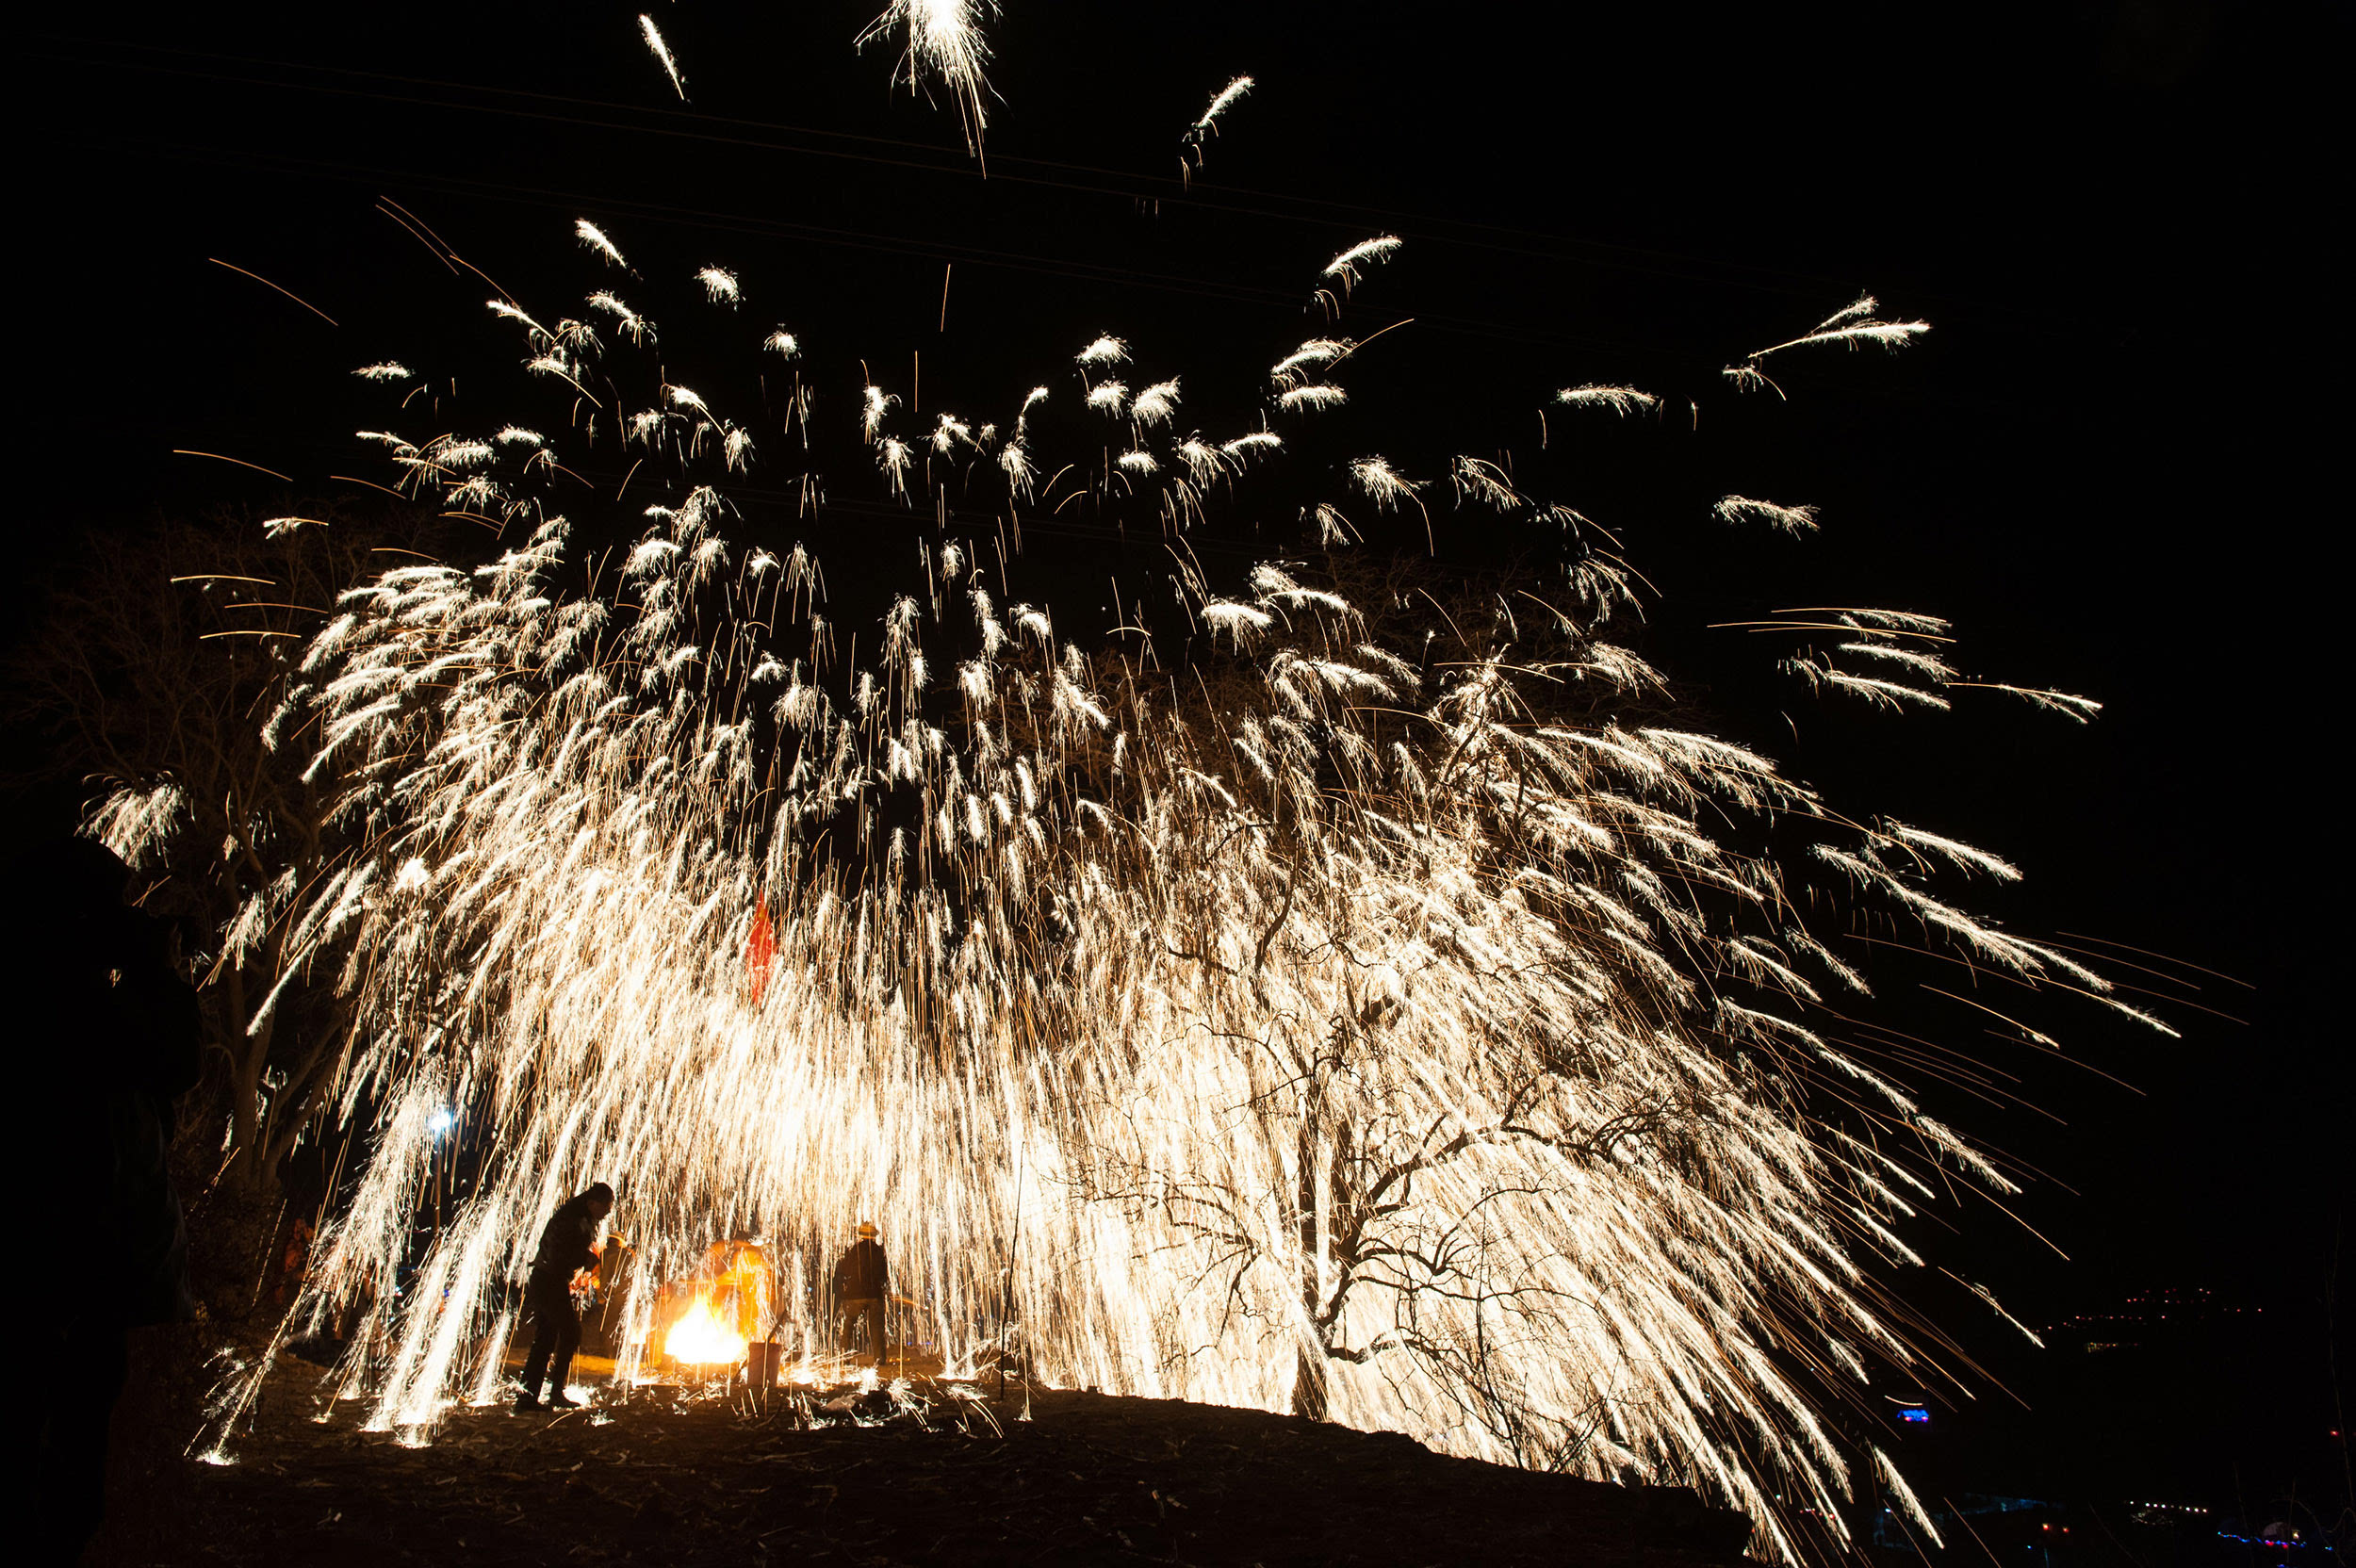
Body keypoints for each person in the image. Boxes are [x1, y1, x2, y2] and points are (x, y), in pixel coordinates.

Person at [14, 830, 201, 1565]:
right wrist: (159, 977)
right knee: (56, 1453)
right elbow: (175, 1065)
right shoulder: (64, 1004)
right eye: (110, 905)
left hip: (71, 1263)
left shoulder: (60, 995)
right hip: (69, 1260)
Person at [515, 1182, 614, 1410]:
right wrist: (584, 1259)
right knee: (570, 1332)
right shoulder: (573, 1219)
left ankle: (528, 1398)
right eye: (606, 1205)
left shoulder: (580, 1216)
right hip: (548, 1280)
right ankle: (551, 1393)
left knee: (546, 1339)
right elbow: (559, 1252)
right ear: (592, 1202)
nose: (608, 1210)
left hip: (549, 1279)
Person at [832, 1219, 889, 1366]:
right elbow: (883, 1274)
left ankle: (844, 1357)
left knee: (849, 1326)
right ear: (874, 1236)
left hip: (854, 1294)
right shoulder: (879, 1251)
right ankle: (880, 1359)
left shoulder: (854, 1250)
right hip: (874, 1294)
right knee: (877, 1328)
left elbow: (844, 1270)